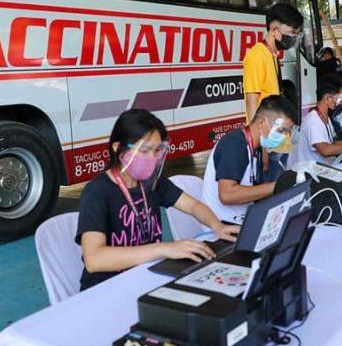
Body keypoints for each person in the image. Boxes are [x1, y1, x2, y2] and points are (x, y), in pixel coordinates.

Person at [77, 109, 238, 290]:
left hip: (145, 277)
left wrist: (218, 226)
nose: (152, 158)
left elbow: (193, 206)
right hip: (106, 288)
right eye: (144, 150)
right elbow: (94, 259)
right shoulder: (98, 191)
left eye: (157, 151)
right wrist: (164, 248)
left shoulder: (152, 182)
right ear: (117, 149)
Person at [201, 95, 297, 224]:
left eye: (288, 132)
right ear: (262, 123)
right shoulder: (234, 144)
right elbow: (226, 194)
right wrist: (278, 185)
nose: (285, 136)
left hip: (242, 219)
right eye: (282, 130)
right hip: (222, 226)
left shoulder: (255, 148)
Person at [243, 3, 303, 122]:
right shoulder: (257, 55)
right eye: (292, 32)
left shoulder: (271, 55)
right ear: (274, 30)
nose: (294, 37)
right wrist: (256, 138)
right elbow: (252, 101)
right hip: (264, 135)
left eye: (297, 33)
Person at [292, 78, 342, 165]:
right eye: (339, 98)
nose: (341, 102)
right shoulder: (313, 120)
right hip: (312, 172)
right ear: (327, 98)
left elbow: (330, 143)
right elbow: (325, 150)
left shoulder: (325, 117)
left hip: (325, 167)